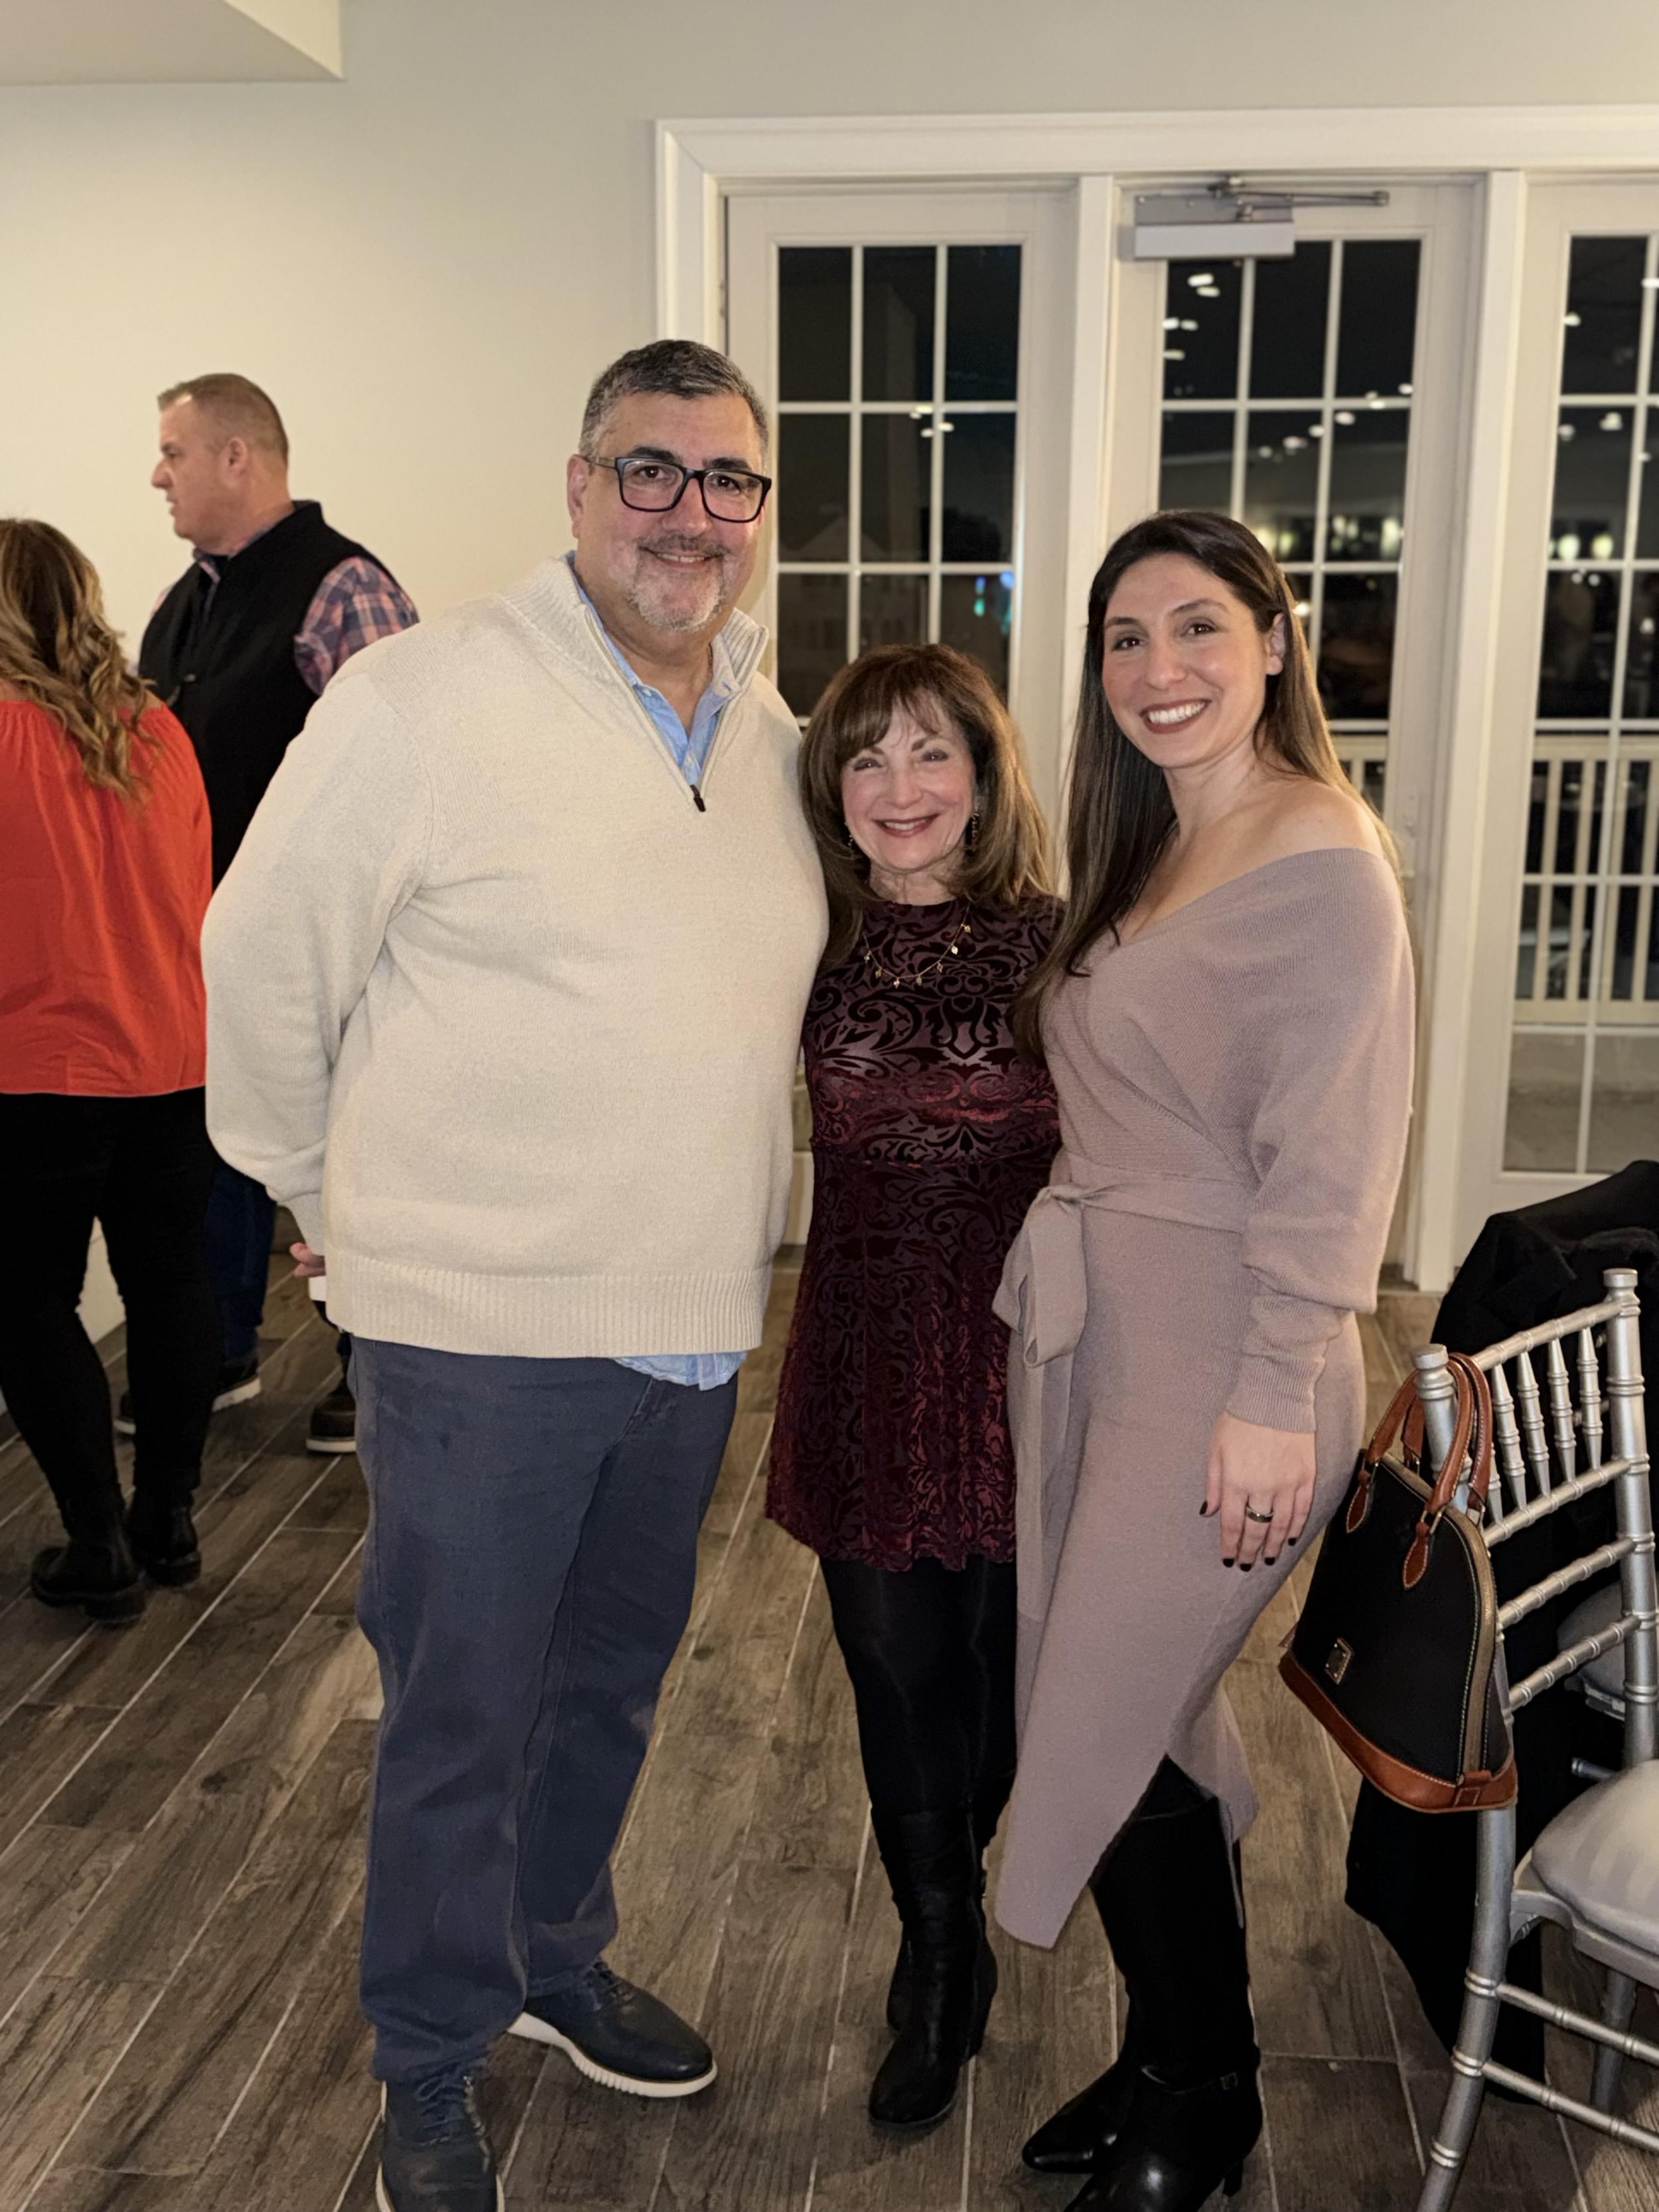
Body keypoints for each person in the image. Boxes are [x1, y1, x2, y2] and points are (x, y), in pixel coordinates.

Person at [202, 339, 826, 2212]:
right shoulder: (423, 696)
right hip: (476, 1332)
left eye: (725, 481)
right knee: (461, 1710)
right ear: (576, 485)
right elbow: (259, 956)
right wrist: (318, 1188)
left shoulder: (776, 737)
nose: (687, 514)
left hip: (690, 1324)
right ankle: (426, 2049)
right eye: (648, 470)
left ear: (758, 513)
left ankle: (552, 1957)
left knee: (611, 1685)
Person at [994, 510, 1414, 2212]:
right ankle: (1181, 2047)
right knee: (1123, 1703)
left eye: (1194, 628)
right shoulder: (1157, 843)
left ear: (1272, 640)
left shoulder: (1317, 853)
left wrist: (1270, 1391)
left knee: (1095, 1702)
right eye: (1123, 637)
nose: (1155, 668)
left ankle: (1199, 2091)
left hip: (1230, 1355)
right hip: (1112, 1330)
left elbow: (1335, 1156)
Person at [767, 643, 1058, 2132]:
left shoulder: (1061, 948)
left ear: (984, 776)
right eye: (865, 757)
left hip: (1023, 1358)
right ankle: (939, 1954)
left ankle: (961, 1880)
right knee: (891, 1663)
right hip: (866, 1352)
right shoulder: (798, 941)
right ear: (830, 786)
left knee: (1002, 1685)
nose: (898, 786)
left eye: (931, 750)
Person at [131, 372, 417, 1455]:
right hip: (208, 943)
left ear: (237, 456)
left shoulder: (343, 589)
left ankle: (372, 1363)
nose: (157, 474)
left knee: (351, 1151)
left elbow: (401, 771)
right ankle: (223, 1349)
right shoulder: (183, 604)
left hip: (329, 945)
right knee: (227, 1140)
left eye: (174, 451)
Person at [0, 520, 218, 1622]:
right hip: (174, 1057)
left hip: (37, 1067)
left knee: (27, 1302)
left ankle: (99, 1542)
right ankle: (166, 1518)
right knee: (169, 1288)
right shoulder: (159, 730)